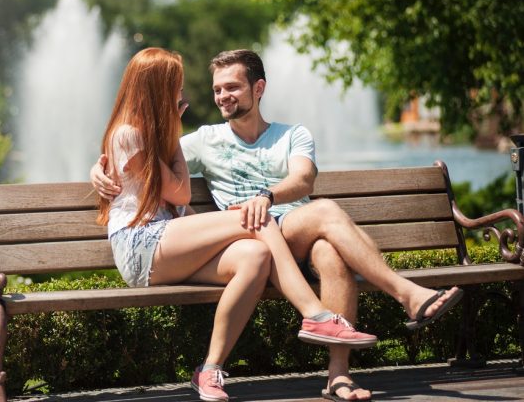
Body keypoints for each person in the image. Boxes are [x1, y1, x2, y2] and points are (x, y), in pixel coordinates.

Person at [92, 49, 464, 402]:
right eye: (216, 89)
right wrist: (98, 170)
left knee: (318, 250)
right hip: (227, 231)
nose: (221, 96)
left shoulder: (293, 134)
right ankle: (386, 300)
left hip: (283, 231)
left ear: (259, 88)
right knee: (269, 219)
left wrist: (266, 195)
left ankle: (334, 376)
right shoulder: (203, 139)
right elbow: (152, 171)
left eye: (232, 87)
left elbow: (304, 182)